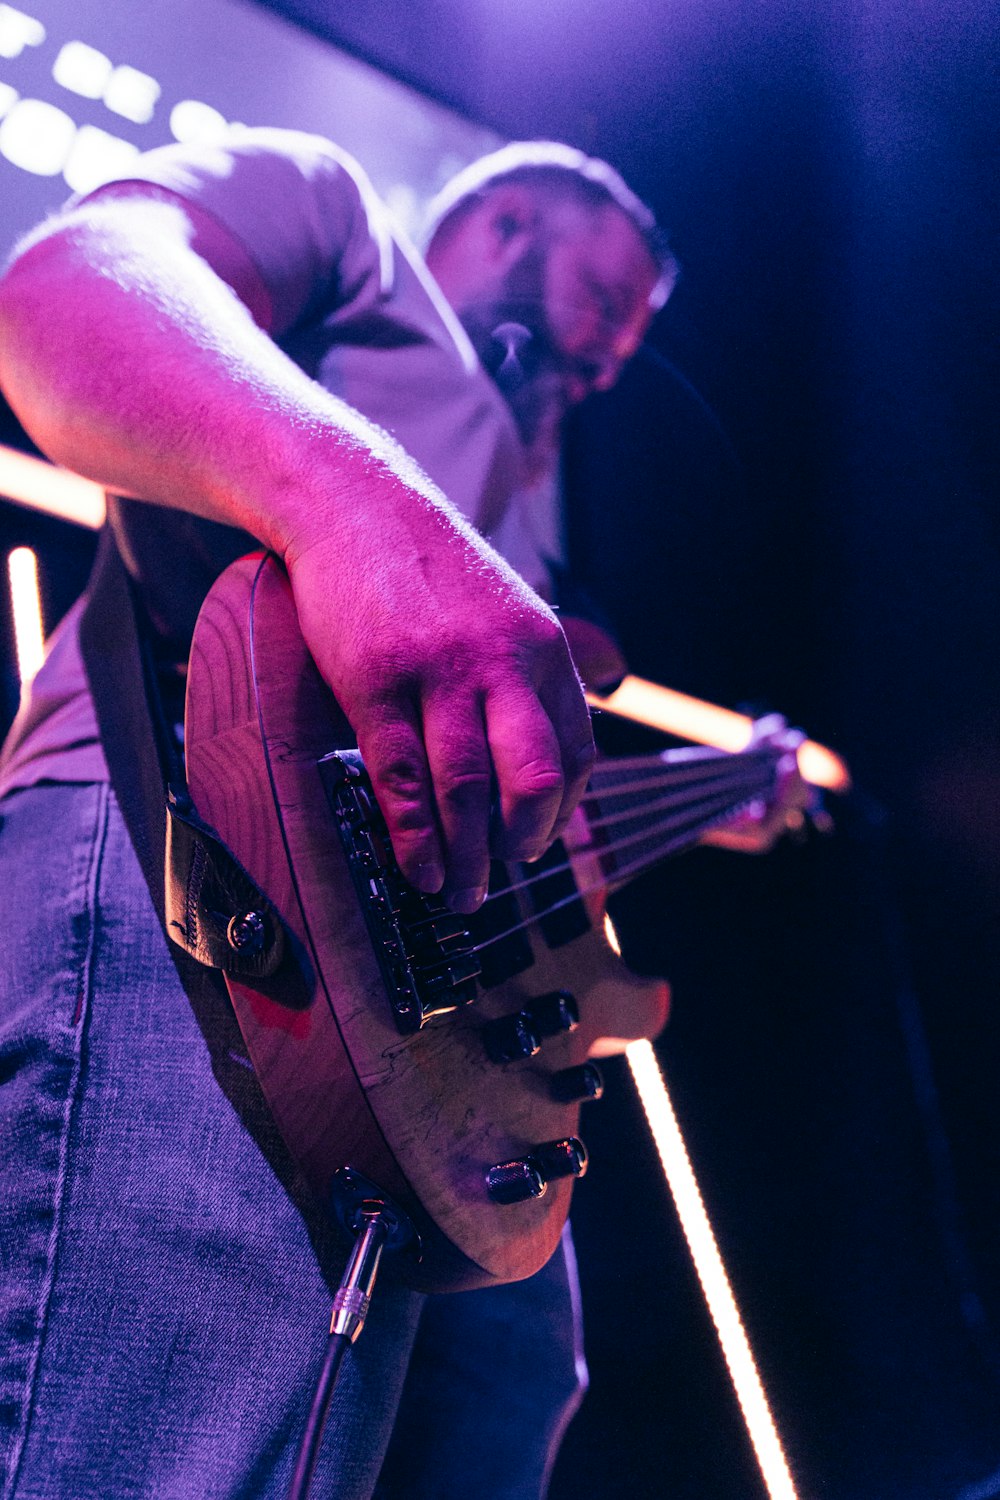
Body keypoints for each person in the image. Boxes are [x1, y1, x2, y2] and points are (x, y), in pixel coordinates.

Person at [0, 129, 674, 1499]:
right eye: (604, 304)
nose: (609, 361)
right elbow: (72, 285)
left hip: (450, 1014)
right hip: (195, 848)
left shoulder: (526, 491)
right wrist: (359, 513)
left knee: (501, 1409)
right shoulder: (338, 211)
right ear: (509, 226)